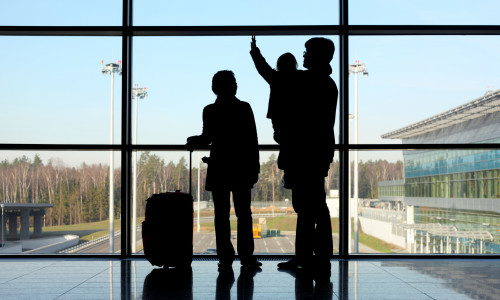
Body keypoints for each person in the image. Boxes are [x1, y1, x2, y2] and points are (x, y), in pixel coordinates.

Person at [250, 37, 338, 271]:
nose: (304, 55)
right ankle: (316, 257)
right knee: (313, 206)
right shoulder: (325, 83)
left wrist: (256, 54)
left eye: (307, 52)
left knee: (309, 207)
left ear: (318, 56)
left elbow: (271, 75)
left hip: (304, 154)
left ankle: (309, 257)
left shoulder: (307, 81)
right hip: (315, 153)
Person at [186, 70, 261, 271]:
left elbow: (207, 137)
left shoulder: (209, 110)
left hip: (219, 168)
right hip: (241, 169)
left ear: (215, 88)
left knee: (222, 216)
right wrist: (255, 168)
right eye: (233, 82)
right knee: (244, 215)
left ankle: (225, 257)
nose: (235, 85)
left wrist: (192, 141)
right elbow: (252, 141)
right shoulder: (244, 108)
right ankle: (246, 256)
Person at [249, 37, 299, 185]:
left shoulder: (276, 78)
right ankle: (291, 173)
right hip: (297, 121)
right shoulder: (300, 78)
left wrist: (254, 50)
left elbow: (262, 67)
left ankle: (289, 174)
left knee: (284, 142)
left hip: (280, 120)